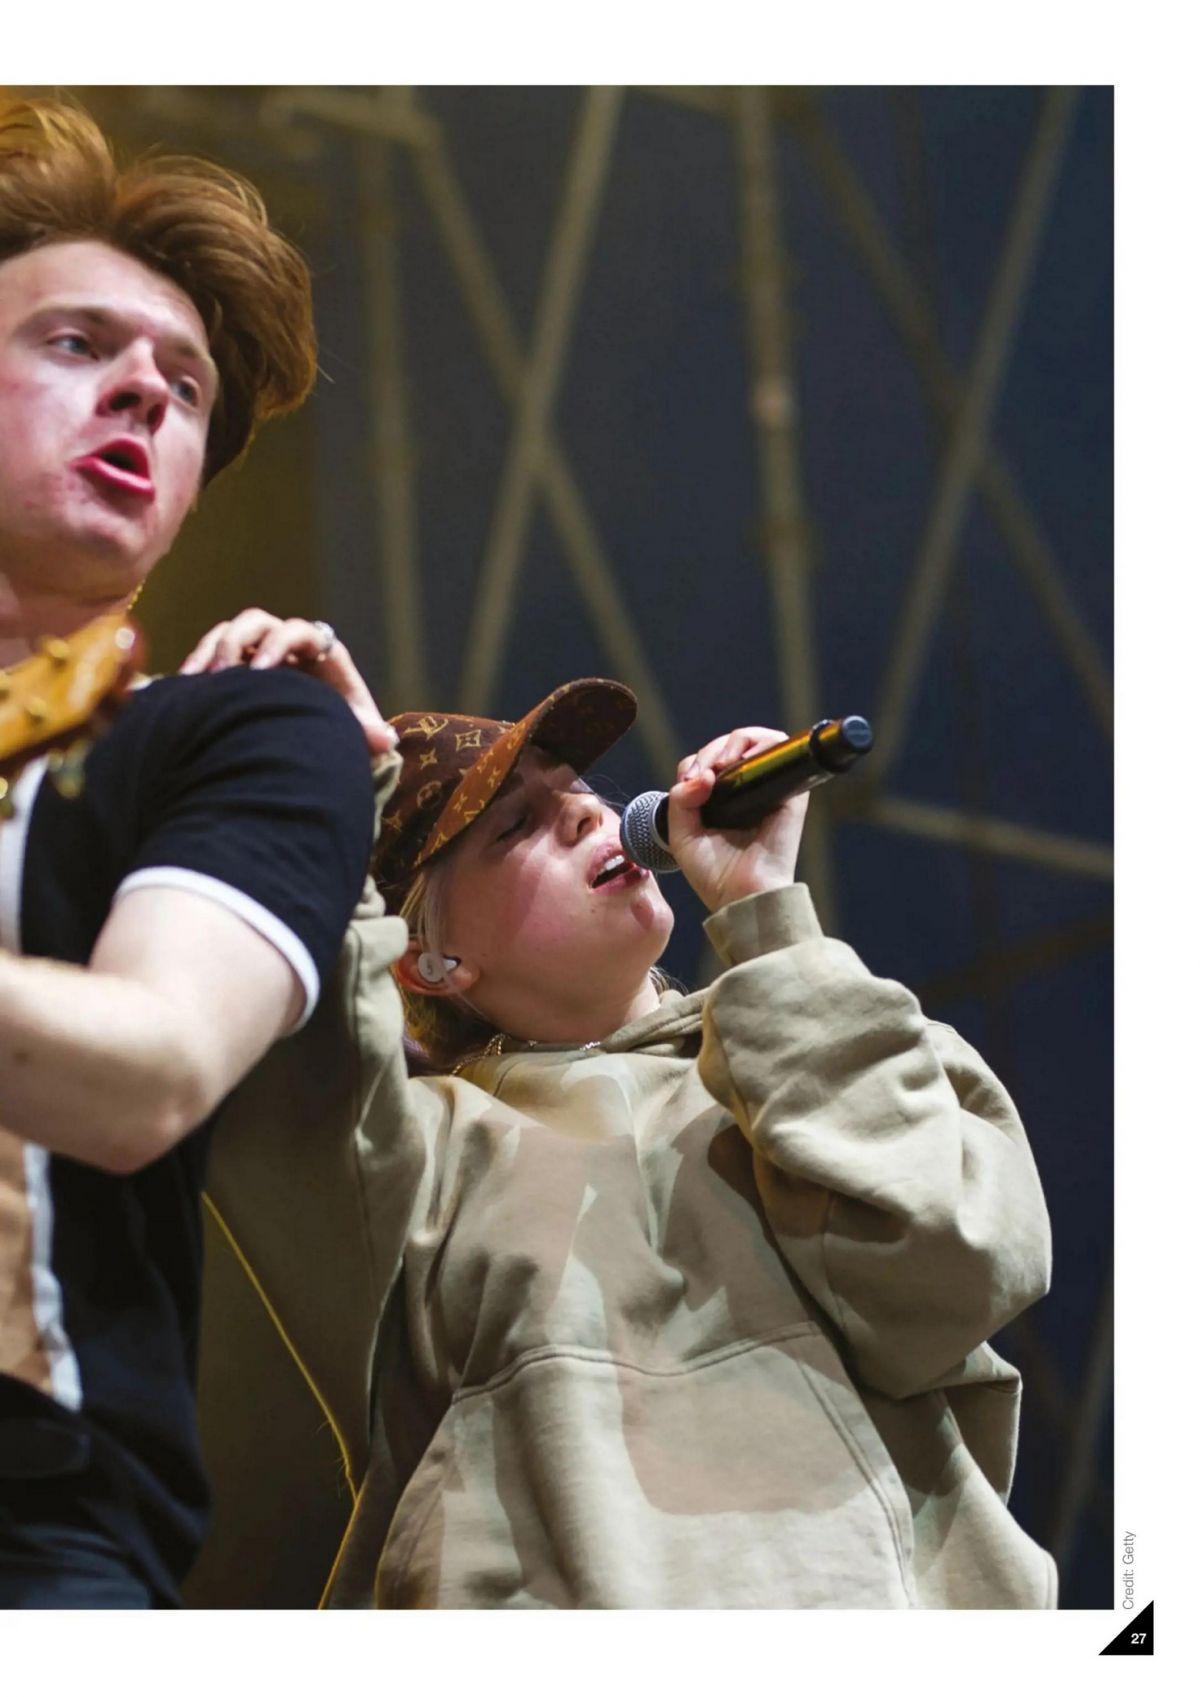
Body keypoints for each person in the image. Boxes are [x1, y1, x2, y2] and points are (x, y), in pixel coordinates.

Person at [203, 613, 1058, 1609]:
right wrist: (315, 796)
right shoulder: (419, 1154)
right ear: (431, 958)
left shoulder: (817, 1025)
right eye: (516, 826)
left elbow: (964, 1261)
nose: (584, 815)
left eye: (577, 790)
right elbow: (287, 1036)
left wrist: (767, 914)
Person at [0, 96, 390, 1608]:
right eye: (76, 343)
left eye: (185, 385)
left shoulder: (244, 730)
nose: (144, 397)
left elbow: (148, 1072)